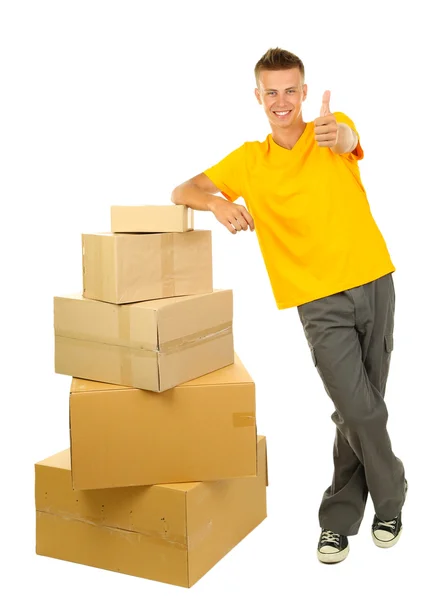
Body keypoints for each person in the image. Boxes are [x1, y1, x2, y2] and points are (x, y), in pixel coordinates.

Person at [171, 47, 407, 564]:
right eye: (271, 92)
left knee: (358, 410)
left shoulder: (331, 130)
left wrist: (340, 135)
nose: (282, 101)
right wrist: (217, 202)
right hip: (316, 300)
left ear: (304, 92)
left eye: (290, 90)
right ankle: (392, 497)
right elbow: (182, 189)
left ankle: (339, 519)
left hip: (373, 280)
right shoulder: (250, 161)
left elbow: (350, 138)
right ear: (258, 97)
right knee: (359, 407)